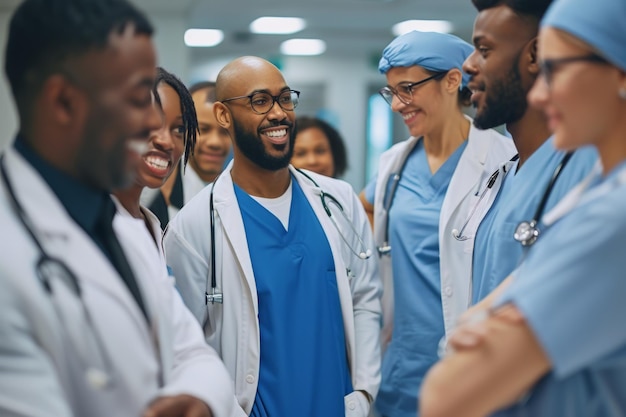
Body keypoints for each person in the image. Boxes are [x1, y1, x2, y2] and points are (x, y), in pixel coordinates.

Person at [0, 1, 235, 416]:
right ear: (63, 102)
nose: (152, 127)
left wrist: (198, 397)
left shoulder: (120, 227)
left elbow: (194, 355)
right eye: (135, 99)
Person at [421, 0, 626, 415]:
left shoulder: (612, 214)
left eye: (556, 69)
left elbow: (447, 395)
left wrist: (489, 324)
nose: (541, 92)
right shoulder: (593, 187)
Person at [164, 56, 382, 417]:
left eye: (284, 98)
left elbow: (365, 299)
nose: (279, 113)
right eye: (260, 101)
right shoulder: (194, 227)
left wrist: (363, 391)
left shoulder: (337, 201)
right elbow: (184, 345)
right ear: (223, 115)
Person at [369, 31, 516, 417]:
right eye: (391, 93)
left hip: (472, 369)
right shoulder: (393, 165)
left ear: (452, 80)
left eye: (408, 89)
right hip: (399, 370)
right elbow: (364, 216)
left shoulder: (504, 160)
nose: (397, 104)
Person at [462, 0, 597, 306]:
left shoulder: (586, 170)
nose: (469, 64)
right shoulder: (504, 176)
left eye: (484, 50)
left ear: (536, 55)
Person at [142, 80, 231, 228]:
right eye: (203, 129)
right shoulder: (153, 192)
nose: (215, 142)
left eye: (225, 131)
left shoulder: (237, 195)